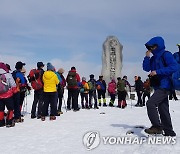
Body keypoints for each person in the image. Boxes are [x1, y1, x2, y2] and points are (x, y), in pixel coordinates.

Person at [143, 36, 178, 136]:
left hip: (165, 85)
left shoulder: (166, 54)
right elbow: (146, 68)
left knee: (151, 103)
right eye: (149, 48)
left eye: (152, 47)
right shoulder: (153, 58)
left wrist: (157, 72)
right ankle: (169, 131)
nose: (151, 49)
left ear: (157, 46)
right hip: (158, 85)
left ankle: (157, 127)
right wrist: (147, 57)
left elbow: (174, 67)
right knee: (163, 109)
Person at [0, 62, 17, 127]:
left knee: (1, 109)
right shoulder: (8, 75)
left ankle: (1, 122)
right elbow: (13, 85)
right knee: (10, 108)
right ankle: (9, 121)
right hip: (8, 95)